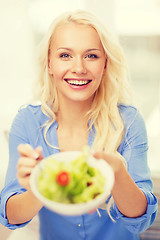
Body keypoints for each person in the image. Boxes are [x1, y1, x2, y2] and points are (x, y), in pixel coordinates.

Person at [0, 10, 157, 240]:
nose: (79, 68)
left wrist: (118, 173)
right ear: (49, 64)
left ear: (105, 65)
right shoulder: (28, 122)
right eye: (65, 55)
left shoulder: (128, 121)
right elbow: (11, 217)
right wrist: (37, 187)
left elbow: (140, 220)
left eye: (91, 56)